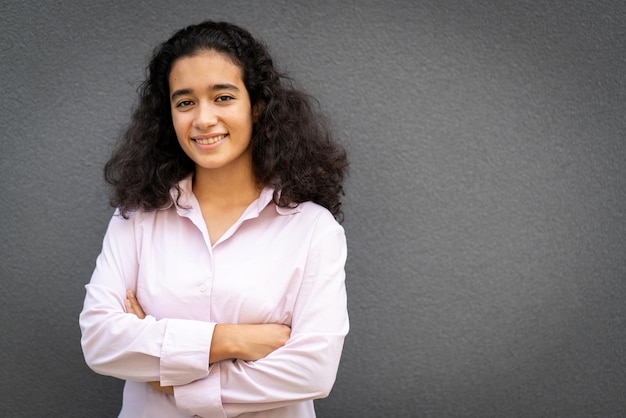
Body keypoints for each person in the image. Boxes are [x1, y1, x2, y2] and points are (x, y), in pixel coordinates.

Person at [79, 20, 349, 418]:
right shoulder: (137, 218)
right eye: (185, 102)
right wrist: (230, 341)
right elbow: (100, 340)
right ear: (168, 115)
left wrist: (165, 375)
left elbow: (312, 372)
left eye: (223, 97)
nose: (203, 119)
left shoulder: (313, 229)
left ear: (257, 106)